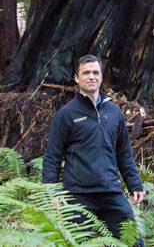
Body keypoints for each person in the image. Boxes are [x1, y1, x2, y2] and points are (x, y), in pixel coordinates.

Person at [42, 54, 144, 246]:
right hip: (78, 195)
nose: (91, 77)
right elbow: (52, 157)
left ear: (101, 77)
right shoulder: (66, 114)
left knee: (134, 243)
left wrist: (134, 183)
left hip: (112, 192)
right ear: (76, 78)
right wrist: (52, 191)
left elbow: (124, 153)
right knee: (74, 244)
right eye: (86, 73)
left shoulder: (114, 112)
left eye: (96, 72)